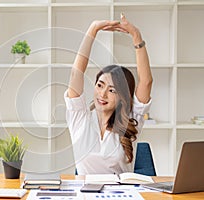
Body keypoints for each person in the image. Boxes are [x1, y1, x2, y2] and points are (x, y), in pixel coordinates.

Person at [64, 13, 153, 175]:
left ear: (122, 98)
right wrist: (92, 30)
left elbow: (146, 82)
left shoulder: (131, 121)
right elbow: (76, 73)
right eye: (100, 85)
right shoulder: (80, 117)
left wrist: (136, 36)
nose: (102, 94)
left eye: (112, 90)